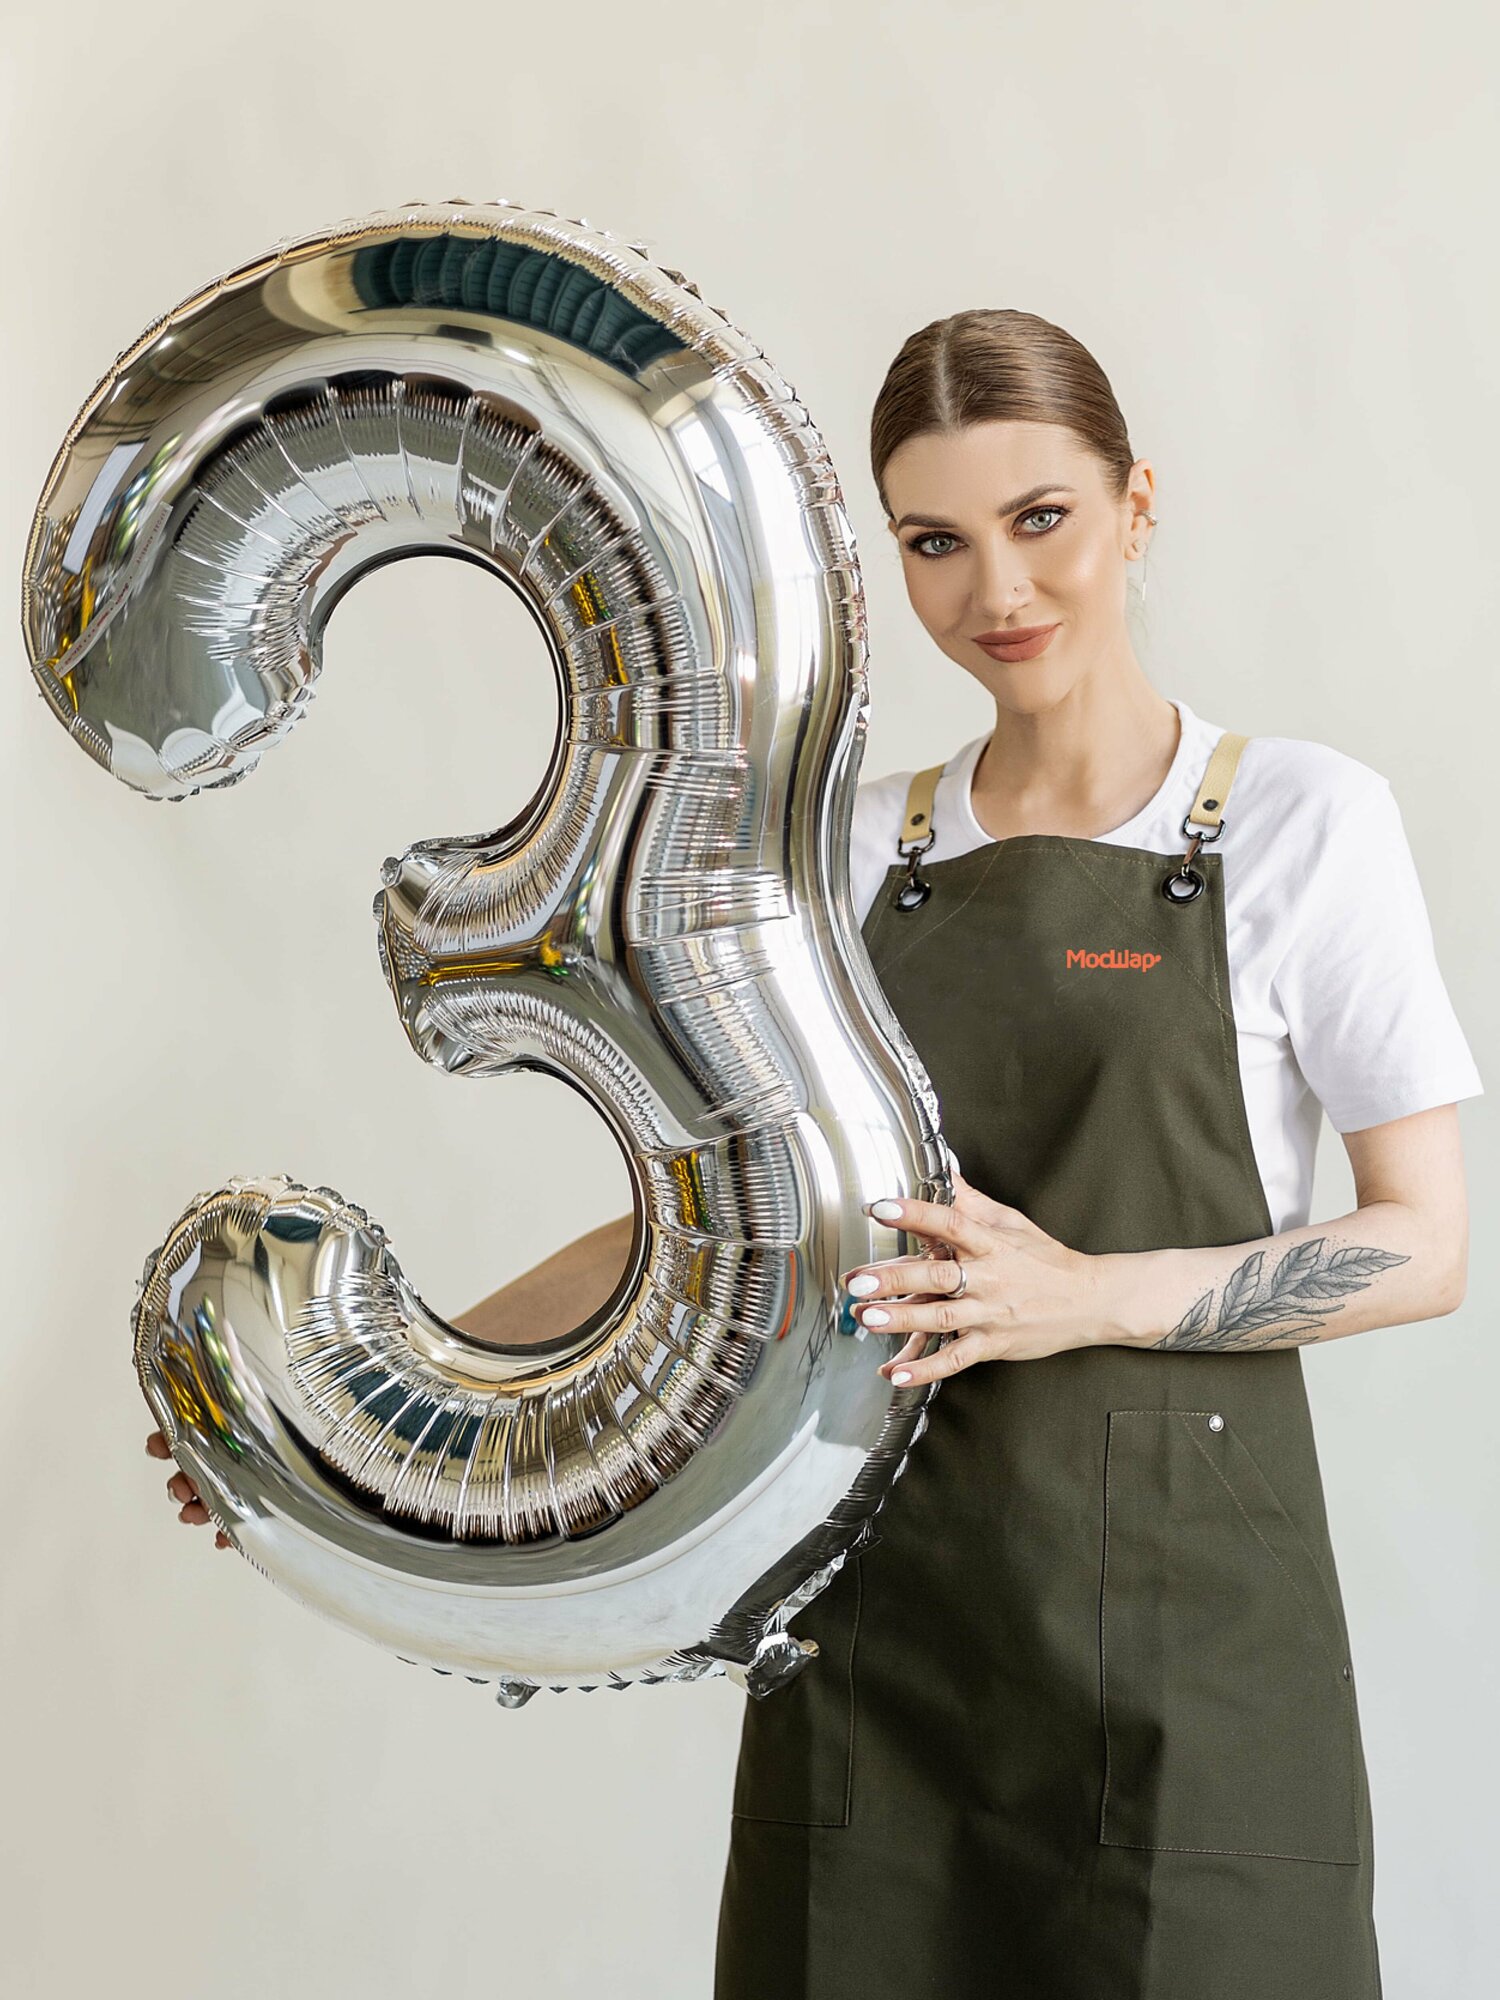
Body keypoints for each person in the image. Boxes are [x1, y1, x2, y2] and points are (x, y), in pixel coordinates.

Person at [149, 307, 1482, 1999]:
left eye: (1043, 519)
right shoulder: (844, 854)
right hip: (884, 1639)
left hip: (1191, 1657)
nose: (998, 590)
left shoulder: (1297, 821)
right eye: (936, 542)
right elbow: (714, 1227)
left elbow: (1423, 1244)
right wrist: (345, 1421)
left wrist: (1082, 1294)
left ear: (1138, 505)